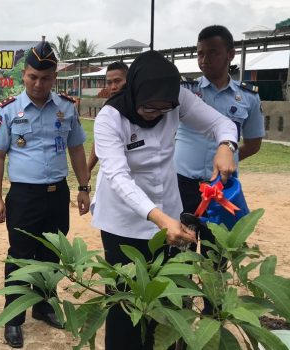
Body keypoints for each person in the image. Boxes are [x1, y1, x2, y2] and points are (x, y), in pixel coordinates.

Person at [91, 50, 238, 349]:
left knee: (168, 296)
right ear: (135, 91)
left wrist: (226, 146)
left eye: (164, 109)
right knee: (127, 298)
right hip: (123, 221)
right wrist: (160, 219)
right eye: (149, 108)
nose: (157, 114)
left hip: (168, 209)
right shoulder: (109, 118)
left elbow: (221, 123)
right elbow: (118, 177)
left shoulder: (177, 100)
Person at [0, 41, 91, 348]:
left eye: (45, 78)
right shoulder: (8, 111)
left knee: (51, 254)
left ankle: (44, 305)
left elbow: (76, 149)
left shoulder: (66, 107)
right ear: (24, 75)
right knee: (19, 257)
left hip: (57, 193)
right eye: (32, 77)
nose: (38, 84)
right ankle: (14, 318)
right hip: (23, 196)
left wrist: (84, 187)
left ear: (54, 78)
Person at [175, 25, 264, 313]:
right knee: (180, 252)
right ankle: (180, 312)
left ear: (230, 53)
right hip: (183, 185)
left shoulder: (248, 97)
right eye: (200, 53)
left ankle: (213, 313)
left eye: (212, 52)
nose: (205, 59)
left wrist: (228, 165)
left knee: (217, 256)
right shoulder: (185, 91)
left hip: (221, 191)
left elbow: (252, 143)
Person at [87, 61, 128, 177]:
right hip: (112, 175)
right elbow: (99, 139)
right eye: (109, 83)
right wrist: (88, 168)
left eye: (117, 81)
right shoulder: (107, 111)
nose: (113, 87)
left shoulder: (140, 108)